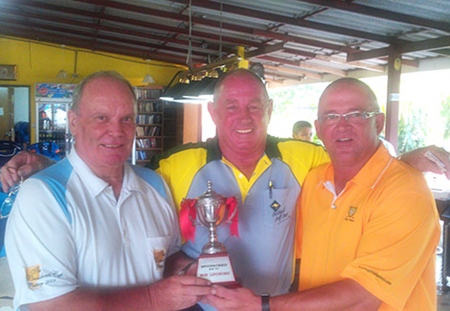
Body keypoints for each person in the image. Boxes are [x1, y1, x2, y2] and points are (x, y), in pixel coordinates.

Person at [1, 69, 449, 310]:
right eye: (230, 106)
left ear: (270, 110)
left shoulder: (303, 158)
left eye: (254, 105)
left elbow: (353, 159)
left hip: (277, 306)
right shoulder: (174, 168)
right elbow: (113, 163)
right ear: (213, 113)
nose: (243, 116)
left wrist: (404, 163)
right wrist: (50, 168)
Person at [206, 78, 441, 310]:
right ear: (318, 128)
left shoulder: (406, 190)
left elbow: (365, 297)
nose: (342, 126)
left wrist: (264, 305)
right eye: (331, 116)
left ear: (378, 123)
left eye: (356, 114)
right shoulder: (315, 180)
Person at [5, 71, 211, 310]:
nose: (116, 131)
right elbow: (51, 305)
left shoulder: (155, 185)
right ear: (73, 122)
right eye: (101, 117)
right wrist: (154, 299)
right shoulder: (41, 196)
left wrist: (192, 270)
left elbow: (168, 257)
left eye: (126, 119)